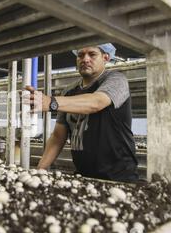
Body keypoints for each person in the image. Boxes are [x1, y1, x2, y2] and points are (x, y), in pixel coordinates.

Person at [25, 43, 140, 183]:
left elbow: (96, 102)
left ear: (106, 57)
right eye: (80, 55)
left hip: (119, 177)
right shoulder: (69, 91)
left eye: (92, 54)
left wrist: (51, 102)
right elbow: (58, 136)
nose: (85, 59)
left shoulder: (116, 80)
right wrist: (39, 170)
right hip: (83, 176)